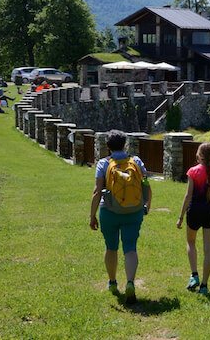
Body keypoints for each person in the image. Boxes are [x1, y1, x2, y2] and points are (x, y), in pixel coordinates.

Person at [89, 130, 151, 304]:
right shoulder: (136, 161)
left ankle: (112, 282)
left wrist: (92, 215)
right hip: (134, 210)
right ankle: (130, 282)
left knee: (111, 247)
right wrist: (147, 204)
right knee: (130, 248)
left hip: (109, 211)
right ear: (125, 145)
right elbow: (145, 183)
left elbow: (97, 192)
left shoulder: (103, 164)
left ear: (108, 147)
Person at [176, 142, 210, 294]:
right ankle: (204, 285)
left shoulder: (193, 172)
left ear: (200, 155)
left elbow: (188, 195)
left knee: (190, 241)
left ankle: (194, 275)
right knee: (208, 248)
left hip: (194, 211)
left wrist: (181, 216)